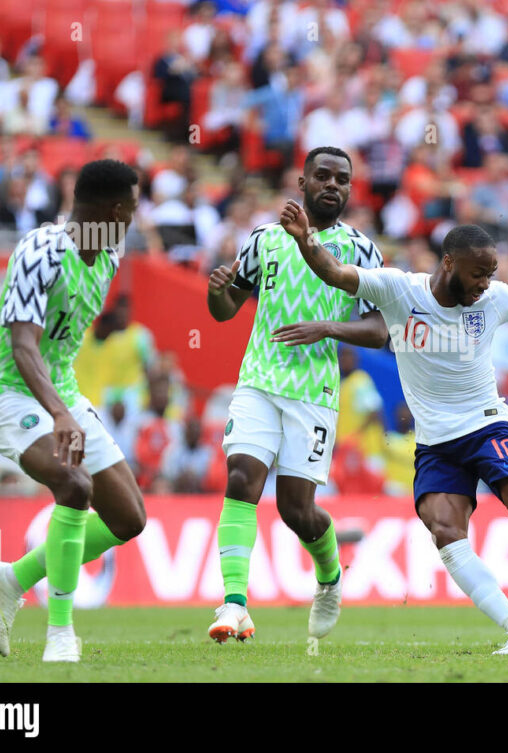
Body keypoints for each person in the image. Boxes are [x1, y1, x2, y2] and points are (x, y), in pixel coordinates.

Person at [290, 217, 508, 654]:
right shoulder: (399, 290)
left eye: (490, 273)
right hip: (435, 442)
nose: (485, 284)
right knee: (445, 530)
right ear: (448, 263)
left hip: (487, 424)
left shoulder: (498, 299)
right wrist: (306, 240)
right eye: (477, 273)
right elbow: (335, 272)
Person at [0, 160, 147, 663]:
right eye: (132, 206)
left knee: (129, 518)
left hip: (61, 392)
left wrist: (0, 350)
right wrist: (59, 413)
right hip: (9, 396)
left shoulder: (108, 257)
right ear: (115, 210)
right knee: (74, 483)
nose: (136, 215)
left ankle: (12, 578)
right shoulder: (40, 250)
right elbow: (23, 344)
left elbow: (45, 339)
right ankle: (60, 634)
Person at [205, 147, 387, 643]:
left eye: (342, 179)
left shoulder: (362, 251)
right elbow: (225, 310)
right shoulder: (264, 239)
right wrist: (216, 291)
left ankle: (329, 575)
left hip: (315, 392)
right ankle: (234, 603)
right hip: (259, 379)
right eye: (322, 176)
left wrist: (326, 327)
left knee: (296, 510)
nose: (332, 185)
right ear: (302, 183)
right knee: (241, 477)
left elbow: (379, 331)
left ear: (350, 189)